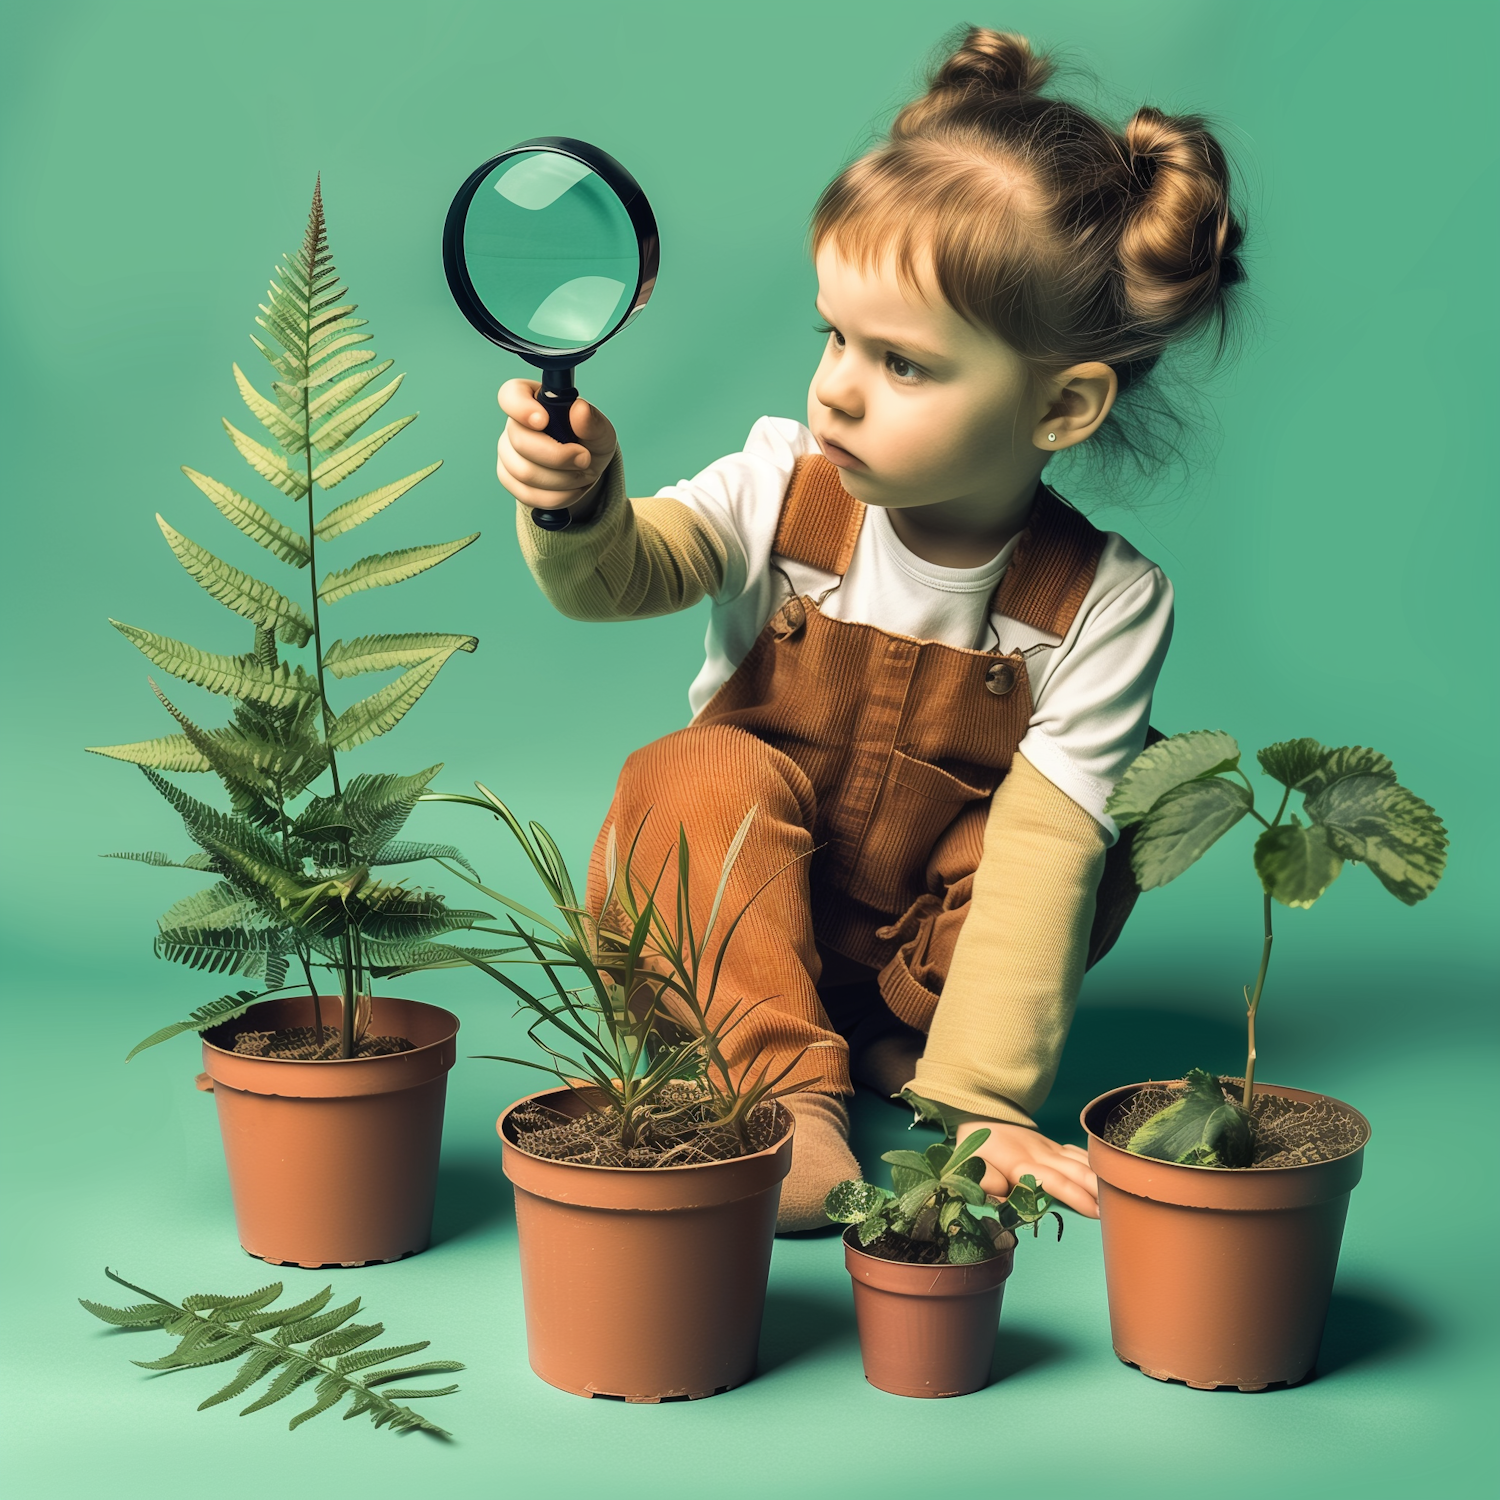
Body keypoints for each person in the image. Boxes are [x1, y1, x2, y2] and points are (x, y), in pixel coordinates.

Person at [493, 27, 1246, 1230]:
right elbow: (621, 575)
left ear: (1061, 404)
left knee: (1083, 837)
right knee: (690, 775)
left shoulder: (1102, 603)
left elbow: (1040, 876)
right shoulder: (778, 482)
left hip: (925, 968)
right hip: (727, 939)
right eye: (833, 336)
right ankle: (784, 1097)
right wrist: (581, 503)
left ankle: (904, 1057)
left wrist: (984, 1103)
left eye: (902, 362)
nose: (836, 386)